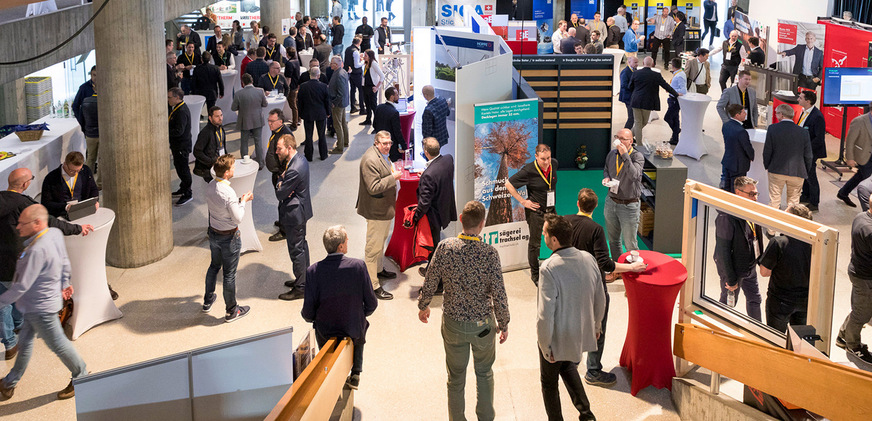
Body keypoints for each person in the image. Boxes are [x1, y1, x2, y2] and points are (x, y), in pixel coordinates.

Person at [418, 200, 510, 421]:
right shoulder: (490, 253)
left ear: (460, 219)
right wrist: (504, 323)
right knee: (485, 373)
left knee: (455, 378)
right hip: (483, 327)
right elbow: (499, 292)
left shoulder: (445, 247)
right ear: (482, 224)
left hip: (453, 324)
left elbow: (430, 279)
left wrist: (424, 305)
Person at [1, 169, 95, 360]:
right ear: (26, 184)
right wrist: (77, 229)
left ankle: (10, 342)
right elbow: (51, 222)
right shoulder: (24, 204)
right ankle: (20, 327)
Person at [0, 205, 88, 401]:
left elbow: (20, 287)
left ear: (37, 223)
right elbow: (64, 260)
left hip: (40, 308)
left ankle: (81, 376)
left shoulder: (36, 250)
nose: (18, 227)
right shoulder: (54, 233)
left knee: (58, 344)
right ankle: (9, 382)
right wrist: (65, 282)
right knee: (25, 343)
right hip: (35, 306)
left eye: (22, 223)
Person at [564, 189, 646, 387]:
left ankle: (571, 362)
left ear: (577, 204)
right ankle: (593, 370)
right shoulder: (596, 229)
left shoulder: (565, 222)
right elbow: (606, 264)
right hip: (593, 287)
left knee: (573, 323)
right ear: (595, 207)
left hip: (570, 285)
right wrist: (632, 267)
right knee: (597, 327)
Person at [537, 214, 603, 421]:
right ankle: (586, 414)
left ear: (554, 239)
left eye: (545, 232)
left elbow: (544, 314)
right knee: (567, 366)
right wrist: (597, 323)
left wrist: (545, 345)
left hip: (557, 337)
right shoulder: (588, 258)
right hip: (580, 332)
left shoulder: (549, 268)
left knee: (549, 383)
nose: (543, 235)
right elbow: (600, 295)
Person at [303, 224, 378, 389]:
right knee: (361, 326)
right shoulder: (358, 266)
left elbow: (307, 312)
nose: (348, 240)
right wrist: (360, 313)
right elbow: (372, 303)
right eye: (346, 239)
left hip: (326, 330)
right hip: (353, 327)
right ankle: (356, 371)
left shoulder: (312, 271)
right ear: (341, 246)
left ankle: (330, 371)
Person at [202, 154, 252, 322]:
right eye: (232, 167)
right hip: (229, 238)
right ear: (226, 173)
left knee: (214, 266)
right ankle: (232, 311)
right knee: (229, 275)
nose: (234, 169)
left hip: (214, 234)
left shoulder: (210, 186)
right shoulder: (228, 192)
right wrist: (243, 201)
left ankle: (208, 300)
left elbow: (221, 207)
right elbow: (238, 218)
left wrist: (236, 201)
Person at [357, 131, 402, 301]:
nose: (388, 146)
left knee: (380, 242)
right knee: (372, 248)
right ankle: (373, 285)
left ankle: (378, 270)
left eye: (389, 142)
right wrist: (393, 178)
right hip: (376, 211)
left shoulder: (382, 155)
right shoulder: (370, 160)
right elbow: (373, 187)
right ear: (376, 143)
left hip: (384, 209)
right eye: (384, 143)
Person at [505, 144, 558, 286]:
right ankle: (535, 274)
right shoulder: (529, 170)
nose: (546, 162)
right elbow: (508, 184)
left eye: (548, 158)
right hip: (536, 212)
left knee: (559, 238)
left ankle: (558, 266)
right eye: (543, 159)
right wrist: (523, 201)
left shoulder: (554, 164)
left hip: (551, 209)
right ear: (536, 156)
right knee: (535, 244)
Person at [714, 176, 763, 321]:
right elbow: (723, 251)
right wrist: (731, 279)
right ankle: (719, 330)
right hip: (734, 269)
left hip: (750, 266)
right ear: (738, 192)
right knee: (728, 303)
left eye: (756, 194)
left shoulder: (752, 210)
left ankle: (757, 332)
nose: (755, 198)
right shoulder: (727, 217)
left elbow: (756, 237)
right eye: (751, 194)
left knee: (755, 299)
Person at [759, 204, 813, 333]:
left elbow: (764, 272)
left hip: (780, 301)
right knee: (800, 343)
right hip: (806, 301)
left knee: (776, 340)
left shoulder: (778, 243)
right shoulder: (814, 243)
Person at [274, 134, 313, 301]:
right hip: (300, 211)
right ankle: (305, 279)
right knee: (301, 245)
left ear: (289, 148)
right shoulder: (299, 160)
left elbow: (280, 193)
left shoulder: (294, 168)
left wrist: (280, 182)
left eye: (279, 149)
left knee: (296, 250)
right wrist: (283, 181)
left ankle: (301, 288)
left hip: (294, 214)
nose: (277, 152)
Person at [411, 137, 457, 277]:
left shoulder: (429, 175)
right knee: (435, 243)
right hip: (444, 208)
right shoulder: (448, 159)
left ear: (425, 151)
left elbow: (424, 202)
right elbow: (439, 176)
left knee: (432, 246)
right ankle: (432, 269)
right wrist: (425, 174)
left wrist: (415, 217)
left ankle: (435, 277)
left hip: (433, 216)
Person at [835, 195, 872, 364]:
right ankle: (853, 345)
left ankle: (843, 336)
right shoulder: (870, 230)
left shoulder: (861, 217)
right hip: (865, 278)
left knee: (859, 307)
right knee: (862, 314)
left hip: (857, 271)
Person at [602, 128, 644, 262]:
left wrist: (625, 155)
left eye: (622, 139)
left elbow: (634, 175)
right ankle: (618, 268)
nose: (618, 141)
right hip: (611, 201)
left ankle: (633, 271)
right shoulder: (611, 154)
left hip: (629, 205)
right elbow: (606, 169)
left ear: (630, 142)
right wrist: (607, 178)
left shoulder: (637, 157)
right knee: (613, 241)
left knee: (630, 243)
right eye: (617, 137)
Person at [764, 104, 813, 209]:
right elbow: (808, 156)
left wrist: (767, 165)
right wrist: (805, 169)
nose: (776, 115)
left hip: (776, 170)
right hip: (797, 172)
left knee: (774, 200)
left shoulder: (773, 128)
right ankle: (789, 223)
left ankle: (771, 225)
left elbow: (767, 150)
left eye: (777, 113)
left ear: (781, 115)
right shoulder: (803, 132)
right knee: (793, 203)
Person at [628, 56, 681, 144]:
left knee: (640, 123)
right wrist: (676, 94)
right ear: (652, 64)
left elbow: (630, 86)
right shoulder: (656, 75)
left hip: (636, 100)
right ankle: (639, 145)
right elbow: (666, 85)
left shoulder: (636, 73)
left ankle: (627, 136)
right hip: (648, 102)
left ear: (643, 63)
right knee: (640, 122)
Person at [40, 152, 99, 219]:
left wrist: (95, 201)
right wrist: (65, 207)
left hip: (83, 212)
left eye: (78, 170)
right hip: (61, 215)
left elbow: (93, 189)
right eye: (72, 170)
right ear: (65, 164)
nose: (75, 173)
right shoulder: (51, 178)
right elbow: (46, 203)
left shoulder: (85, 171)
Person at [264, 109, 294, 242]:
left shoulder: (285, 136)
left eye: (272, 121)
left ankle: (284, 230)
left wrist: (282, 174)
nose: (269, 124)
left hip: (281, 175)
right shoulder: (276, 132)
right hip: (276, 173)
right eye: (268, 121)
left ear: (280, 122)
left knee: (283, 202)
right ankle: (283, 222)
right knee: (281, 201)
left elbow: (289, 157)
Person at [795, 92, 826, 211]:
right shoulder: (805, 112)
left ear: (808, 101)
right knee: (805, 174)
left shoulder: (817, 116)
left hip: (811, 151)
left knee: (811, 176)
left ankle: (814, 201)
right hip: (803, 150)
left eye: (800, 98)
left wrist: (807, 149)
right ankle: (805, 195)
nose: (798, 99)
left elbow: (819, 138)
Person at [837, 105, 872, 208]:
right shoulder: (859, 121)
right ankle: (868, 210)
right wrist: (850, 158)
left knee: (860, 176)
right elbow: (850, 141)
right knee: (868, 182)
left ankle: (843, 193)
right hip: (863, 156)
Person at [232, 73, 268, 169]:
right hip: (257, 119)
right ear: (252, 81)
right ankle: (260, 163)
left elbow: (233, 108)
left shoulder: (238, 94)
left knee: (244, 142)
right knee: (258, 141)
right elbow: (265, 104)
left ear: (242, 83)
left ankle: (245, 161)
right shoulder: (260, 91)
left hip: (244, 120)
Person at [297, 67, 331, 162]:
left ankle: (308, 156)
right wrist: (328, 113)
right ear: (319, 75)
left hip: (308, 114)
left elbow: (300, 102)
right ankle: (323, 154)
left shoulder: (303, 86)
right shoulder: (324, 86)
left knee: (308, 135)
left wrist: (300, 113)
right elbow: (327, 101)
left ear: (309, 75)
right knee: (321, 135)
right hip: (321, 113)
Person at [167, 87, 193, 205]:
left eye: (169, 97)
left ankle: (188, 193)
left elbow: (179, 131)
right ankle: (183, 188)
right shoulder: (177, 108)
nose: (168, 99)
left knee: (183, 170)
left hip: (181, 146)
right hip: (178, 146)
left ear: (177, 98)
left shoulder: (181, 111)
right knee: (179, 168)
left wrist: (165, 132)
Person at [720, 104, 755, 192]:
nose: (745, 114)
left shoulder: (726, 125)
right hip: (738, 166)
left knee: (726, 188)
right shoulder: (741, 131)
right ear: (737, 115)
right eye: (743, 112)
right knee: (737, 190)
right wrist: (751, 157)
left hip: (727, 161)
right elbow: (747, 148)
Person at [193, 106, 226, 184]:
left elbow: (222, 146)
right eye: (217, 116)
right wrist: (211, 161)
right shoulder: (206, 132)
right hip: (209, 168)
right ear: (210, 118)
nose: (220, 118)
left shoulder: (221, 128)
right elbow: (197, 152)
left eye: (221, 115)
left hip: (220, 164)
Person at [373, 87, 406, 162]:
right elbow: (397, 132)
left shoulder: (379, 108)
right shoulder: (394, 113)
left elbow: (374, 125)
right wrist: (404, 146)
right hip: (391, 148)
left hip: (379, 143)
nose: (398, 96)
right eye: (397, 95)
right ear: (392, 97)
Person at [79, 79, 100, 190]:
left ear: (93, 88)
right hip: (102, 134)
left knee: (90, 158)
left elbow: (82, 119)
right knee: (101, 159)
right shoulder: (103, 102)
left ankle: (86, 180)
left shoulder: (86, 101)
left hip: (90, 134)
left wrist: (85, 130)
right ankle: (100, 183)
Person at [328, 56, 350, 154]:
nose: (330, 64)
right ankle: (345, 142)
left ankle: (339, 147)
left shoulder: (339, 75)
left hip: (338, 104)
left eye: (331, 63)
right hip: (343, 102)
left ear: (336, 65)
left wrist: (334, 103)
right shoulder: (343, 72)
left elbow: (340, 93)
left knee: (338, 124)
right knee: (343, 122)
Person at [665, 58, 687, 145]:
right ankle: (675, 138)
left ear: (673, 66)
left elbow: (683, 90)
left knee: (667, 117)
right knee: (675, 118)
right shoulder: (678, 74)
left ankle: (676, 130)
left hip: (675, 100)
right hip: (672, 99)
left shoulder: (680, 76)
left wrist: (671, 90)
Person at [360, 50, 384, 126]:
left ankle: (377, 124)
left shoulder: (374, 64)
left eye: (366, 56)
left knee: (374, 106)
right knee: (367, 104)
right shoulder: (367, 63)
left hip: (372, 88)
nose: (364, 57)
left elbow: (382, 76)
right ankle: (368, 119)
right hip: (365, 87)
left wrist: (377, 87)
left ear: (370, 56)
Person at [72, 66, 96, 130]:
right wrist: (81, 120)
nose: (96, 78)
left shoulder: (105, 86)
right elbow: (75, 106)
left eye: (98, 75)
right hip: (88, 125)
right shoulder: (84, 88)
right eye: (94, 75)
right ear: (91, 75)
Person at [345, 37, 364, 114]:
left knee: (352, 90)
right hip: (357, 73)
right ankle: (362, 108)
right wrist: (363, 62)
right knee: (361, 90)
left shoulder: (348, 49)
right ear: (359, 43)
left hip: (350, 72)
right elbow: (356, 65)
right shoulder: (355, 51)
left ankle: (352, 107)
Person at [283, 48, 301, 130]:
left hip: (291, 87)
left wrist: (286, 87)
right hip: (296, 85)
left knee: (293, 105)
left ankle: (294, 123)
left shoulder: (289, 63)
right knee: (295, 104)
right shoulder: (297, 61)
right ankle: (298, 119)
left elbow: (288, 78)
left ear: (287, 54)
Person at [618, 56, 638, 130]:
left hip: (632, 97)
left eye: (637, 62)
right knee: (631, 117)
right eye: (635, 62)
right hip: (628, 97)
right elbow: (624, 85)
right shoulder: (625, 72)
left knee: (633, 117)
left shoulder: (634, 70)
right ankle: (624, 134)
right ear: (629, 62)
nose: (637, 64)